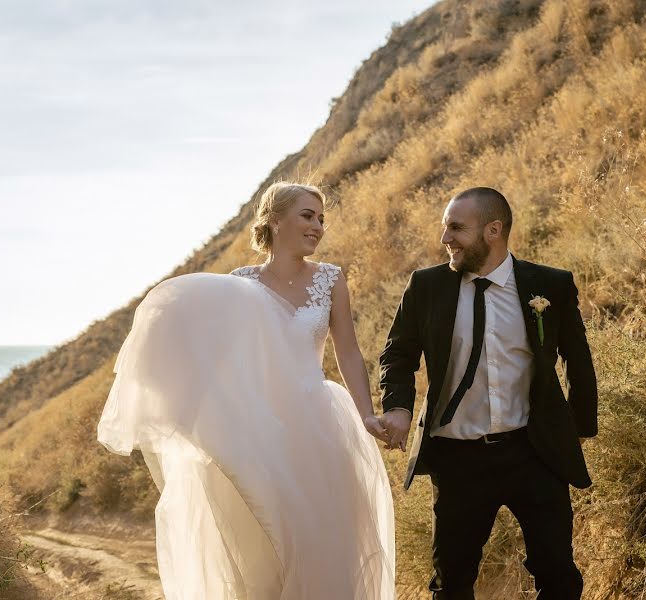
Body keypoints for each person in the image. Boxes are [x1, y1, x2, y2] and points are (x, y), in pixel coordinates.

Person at [98, 181, 396, 599]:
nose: (318, 226)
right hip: (258, 428)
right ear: (276, 220)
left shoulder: (331, 280)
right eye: (307, 216)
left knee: (321, 542)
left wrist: (366, 413)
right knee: (259, 551)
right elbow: (219, 360)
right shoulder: (241, 282)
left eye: (322, 219)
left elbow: (348, 351)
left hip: (317, 427)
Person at [378, 187, 597, 600]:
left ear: (493, 230)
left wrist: (577, 428)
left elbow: (578, 360)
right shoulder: (427, 286)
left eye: (456, 228)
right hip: (458, 458)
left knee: (559, 575)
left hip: (533, 451)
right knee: (451, 584)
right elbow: (398, 353)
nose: (446, 238)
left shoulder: (550, 285)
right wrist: (399, 408)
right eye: (446, 227)